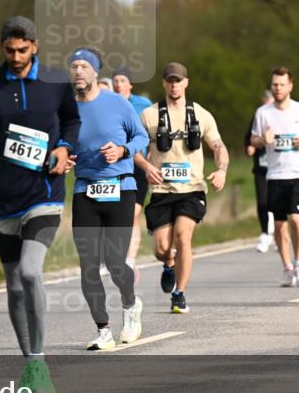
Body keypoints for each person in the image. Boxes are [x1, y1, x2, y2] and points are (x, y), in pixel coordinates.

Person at [0, 16, 79, 393]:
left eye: (22, 50)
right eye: (9, 50)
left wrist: (63, 149)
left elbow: (72, 121)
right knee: (13, 287)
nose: (15, 56)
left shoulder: (56, 82)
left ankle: (40, 360)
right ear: (2, 48)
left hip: (44, 196)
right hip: (2, 202)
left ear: (35, 46)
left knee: (30, 272)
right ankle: (30, 363)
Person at [68, 50, 149, 349]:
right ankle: (103, 330)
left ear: (95, 71)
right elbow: (60, 144)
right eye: (74, 66)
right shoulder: (67, 109)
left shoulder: (117, 103)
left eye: (84, 66)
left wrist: (122, 151)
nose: (78, 71)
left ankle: (131, 305)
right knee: (88, 265)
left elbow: (141, 137)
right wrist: (63, 157)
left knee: (115, 262)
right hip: (84, 190)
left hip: (120, 187)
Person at [136, 62, 228, 313]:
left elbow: (218, 146)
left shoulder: (201, 114)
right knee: (162, 249)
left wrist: (221, 170)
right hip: (161, 191)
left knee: (183, 237)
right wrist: (146, 167)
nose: (174, 85)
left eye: (179, 81)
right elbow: (134, 150)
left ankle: (179, 294)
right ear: (164, 84)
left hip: (192, 189)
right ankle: (168, 264)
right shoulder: (149, 115)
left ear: (186, 82)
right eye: (170, 81)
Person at [251, 67, 299, 287]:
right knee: (279, 225)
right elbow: (253, 140)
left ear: (290, 86)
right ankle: (288, 268)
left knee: (296, 217)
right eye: (274, 84)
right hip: (275, 174)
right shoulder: (263, 112)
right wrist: (263, 139)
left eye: (281, 84)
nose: (277, 88)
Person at [111, 66, 152, 278]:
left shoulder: (143, 105)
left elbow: (152, 133)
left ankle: (129, 259)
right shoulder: (106, 102)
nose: (118, 84)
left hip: (138, 164)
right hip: (113, 165)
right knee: (116, 214)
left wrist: (152, 160)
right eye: (115, 80)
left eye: (122, 80)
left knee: (133, 214)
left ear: (130, 85)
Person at [245, 90, 275, 253]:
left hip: (278, 168)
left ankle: (277, 234)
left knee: (277, 202)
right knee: (262, 201)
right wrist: (249, 147)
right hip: (261, 168)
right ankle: (265, 232)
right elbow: (248, 139)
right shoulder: (257, 119)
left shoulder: (282, 119)